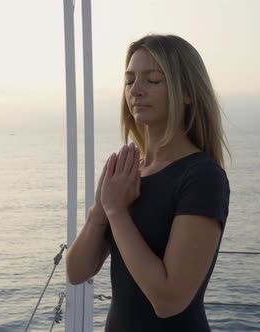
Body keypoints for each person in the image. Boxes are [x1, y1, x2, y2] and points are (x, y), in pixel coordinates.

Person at [65, 34, 230, 331]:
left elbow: (168, 301)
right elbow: (76, 271)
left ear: (188, 93)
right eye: (129, 81)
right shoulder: (128, 174)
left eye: (153, 80)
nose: (136, 91)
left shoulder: (203, 177)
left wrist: (117, 211)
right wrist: (101, 212)